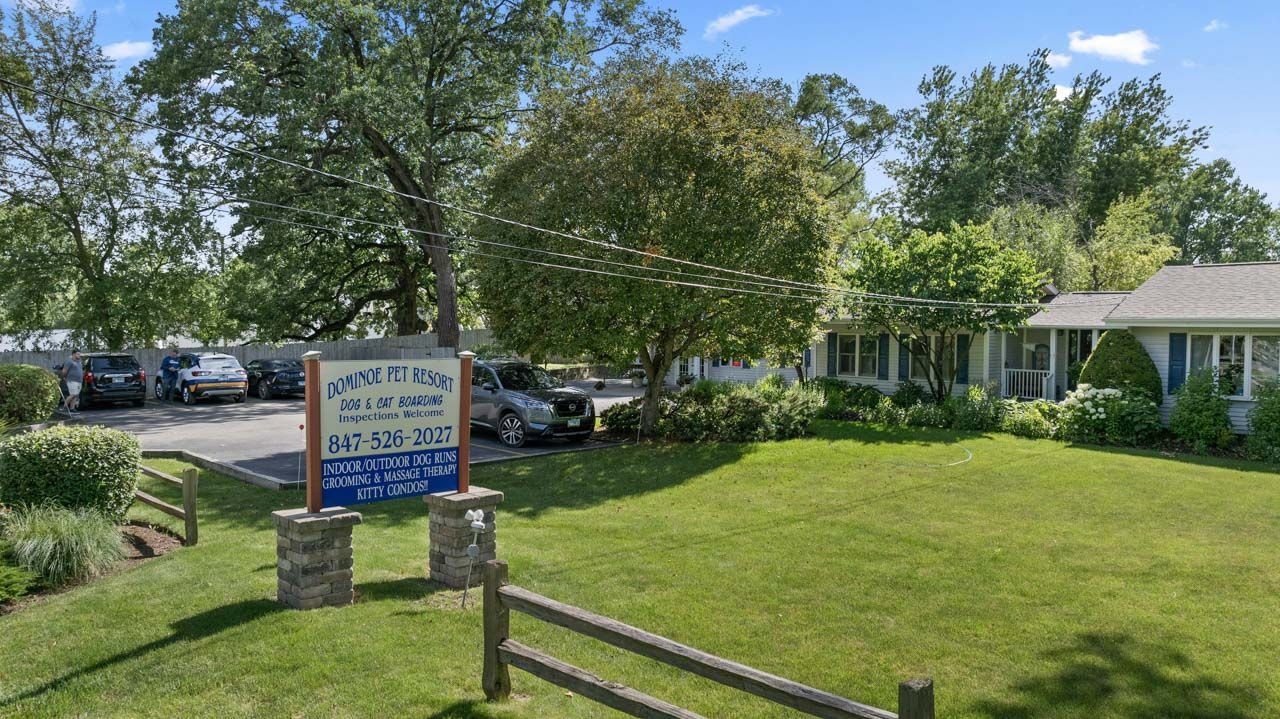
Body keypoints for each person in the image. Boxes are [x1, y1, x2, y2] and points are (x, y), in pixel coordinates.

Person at [61, 349, 83, 415]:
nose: (79, 355)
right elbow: (64, 371)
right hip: (71, 381)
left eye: (79, 354)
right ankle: (64, 407)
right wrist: (65, 378)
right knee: (73, 394)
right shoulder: (69, 361)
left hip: (79, 381)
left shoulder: (78, 362)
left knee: (75, 395)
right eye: (78, 354)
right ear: (73, 354)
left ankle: (72, 408)